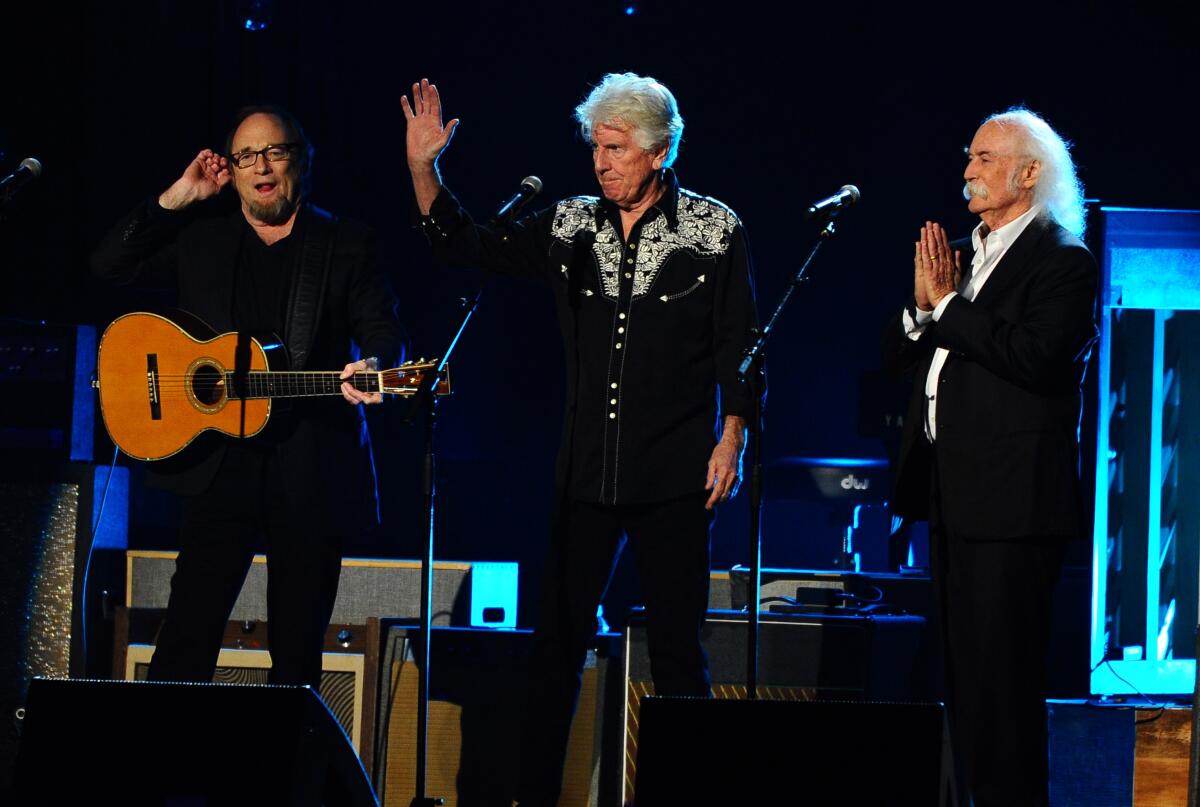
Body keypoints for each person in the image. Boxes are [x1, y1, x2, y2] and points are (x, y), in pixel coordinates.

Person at [402, 74, 759, 804]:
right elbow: (463, 245)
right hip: (583, 477)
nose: (602, 161)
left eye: (618, 148)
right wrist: (423, 167)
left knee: (678, 655)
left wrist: (733, 436)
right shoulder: (570, 226)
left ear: (660, 151)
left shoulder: (715, 230)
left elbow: (741, 344)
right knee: (554, 650)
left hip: (673, 475)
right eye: (596, 146)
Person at [92, 106, 405, 687]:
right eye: (246, 156)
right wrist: (177, 198)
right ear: (231, 171)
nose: (261, 166)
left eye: (275, 152)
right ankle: (164, 775)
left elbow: (381, 327)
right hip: (217, 466)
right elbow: (109, 266)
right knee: (184, 642)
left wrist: (375, 365)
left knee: (296, 656)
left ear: (300, 163)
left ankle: (282, 775)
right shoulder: (202, 240)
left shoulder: (345, 244)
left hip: (308, 466)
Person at [882, 107, 1097, 806]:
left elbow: (1035, 358)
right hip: (953, 495)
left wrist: (946, 304)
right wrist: (922, 310)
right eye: (968, 156)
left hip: (1012, 505)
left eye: (982, 158)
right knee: (965, 687)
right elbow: (907, 354)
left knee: (1004, 692)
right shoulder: (970, 257)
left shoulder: (1062, 260)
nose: (967, 171)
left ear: (1028, 173)